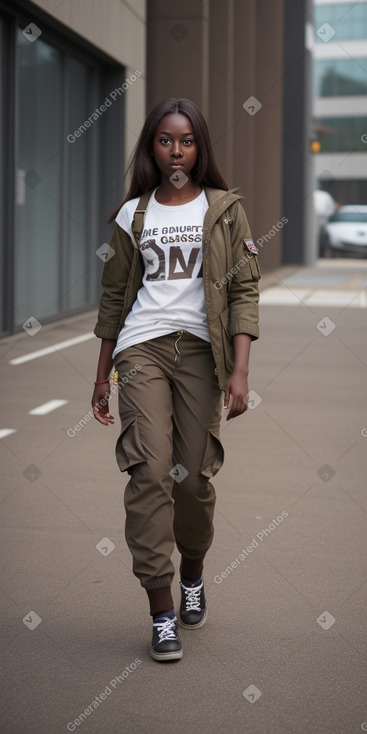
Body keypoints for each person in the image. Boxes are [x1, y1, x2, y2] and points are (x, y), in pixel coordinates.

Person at [92, 97, 260, 662]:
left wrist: (239, 371)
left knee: (192, 480)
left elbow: (242, 291)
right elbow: (115, 296)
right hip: (141, 350)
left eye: (186, 141)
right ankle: (161, 611)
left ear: (200, 147)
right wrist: (100, 375)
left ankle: (193, 572)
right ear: (152, 148)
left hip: (202, 356)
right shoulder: (132, 214)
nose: (176, 151)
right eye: (165, 140)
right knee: (150, 473)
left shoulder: (225, 209)